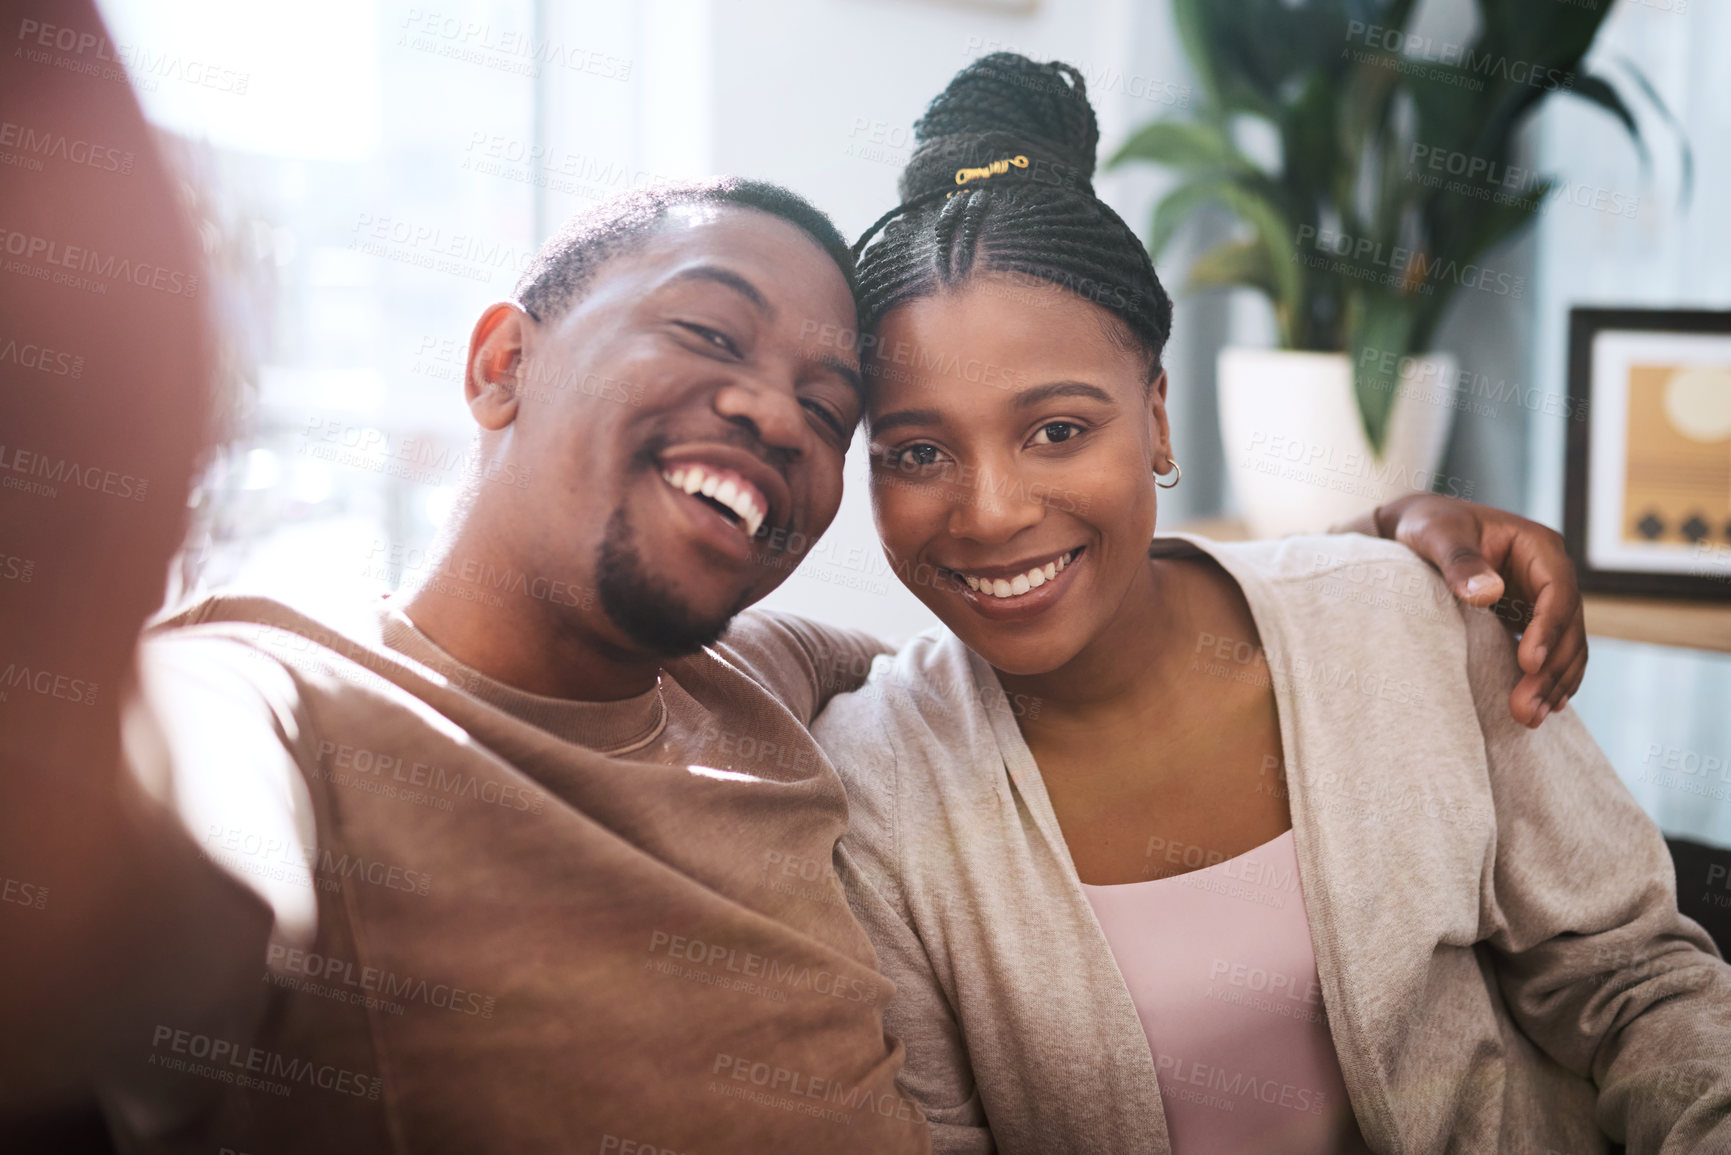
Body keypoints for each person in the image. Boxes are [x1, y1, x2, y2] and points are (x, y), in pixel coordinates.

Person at [0, 9, 1596, 1150]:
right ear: (500, 361)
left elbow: (1069, 604)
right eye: (705, 334)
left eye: (831, 412)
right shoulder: (279, 687)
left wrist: (1381, 545)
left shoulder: (775, 679)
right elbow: (169, 868)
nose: (776, 410)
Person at [817, 53, 1731, 1155]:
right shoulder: (872, 786)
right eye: (916, 450)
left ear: (1156, 418)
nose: (993, 511)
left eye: (1058, 429)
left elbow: (1636, 985)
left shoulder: (1408, 620)